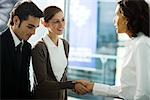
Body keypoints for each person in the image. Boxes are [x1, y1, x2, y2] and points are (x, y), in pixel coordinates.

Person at [76, 0, 150, 99]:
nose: (114, 20)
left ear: (127, 17)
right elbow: (127, 91)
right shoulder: (134, 43)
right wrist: (93, 87)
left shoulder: (142, 44)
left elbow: (144, 93)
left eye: (117, 15)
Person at [31, 6, 89, 99]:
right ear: (44, 23)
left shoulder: (65, 44)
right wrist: (72, 85)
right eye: (56, 21)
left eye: (63, 20)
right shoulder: (39, 48)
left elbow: (63, 77)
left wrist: (73, 86)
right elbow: (42, 84)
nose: (61, 25)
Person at [0, 1, 43, 99]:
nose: (33, 32)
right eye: (30, 27)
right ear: (16, 20)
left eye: (36, 28)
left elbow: (25, 83)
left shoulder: (27, 47)